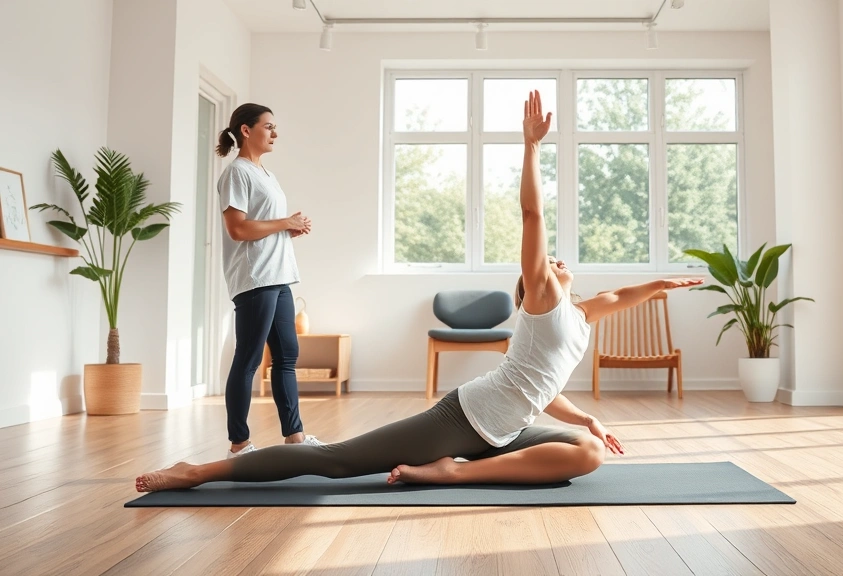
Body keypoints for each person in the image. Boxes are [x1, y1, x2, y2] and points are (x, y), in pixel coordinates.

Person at [135, 91, 702, 493]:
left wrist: (661, 286)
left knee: (590, 452)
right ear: (533, 284)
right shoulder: (546, 301)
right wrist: (530, 148)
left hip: (504, 431)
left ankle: (458, 472)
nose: (556, 262)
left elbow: (556, 374)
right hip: (463, 419)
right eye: (547, 265)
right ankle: (198, 471)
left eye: (556, 264)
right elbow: (532, 215)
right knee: (333, 462)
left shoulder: (576, 316)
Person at [213, 103, 323, 459]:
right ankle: (239, 444)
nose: (274, 133)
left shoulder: (267, 175)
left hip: (280, 276)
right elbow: (238, 228)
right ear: (246, 130)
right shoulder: (237, 173)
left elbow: (261, 227)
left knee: (287, 356)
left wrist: (288, 231)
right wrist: (284, 223)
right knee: (248, 358)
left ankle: (295, 437)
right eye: (269, 126)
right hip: (255, 278)